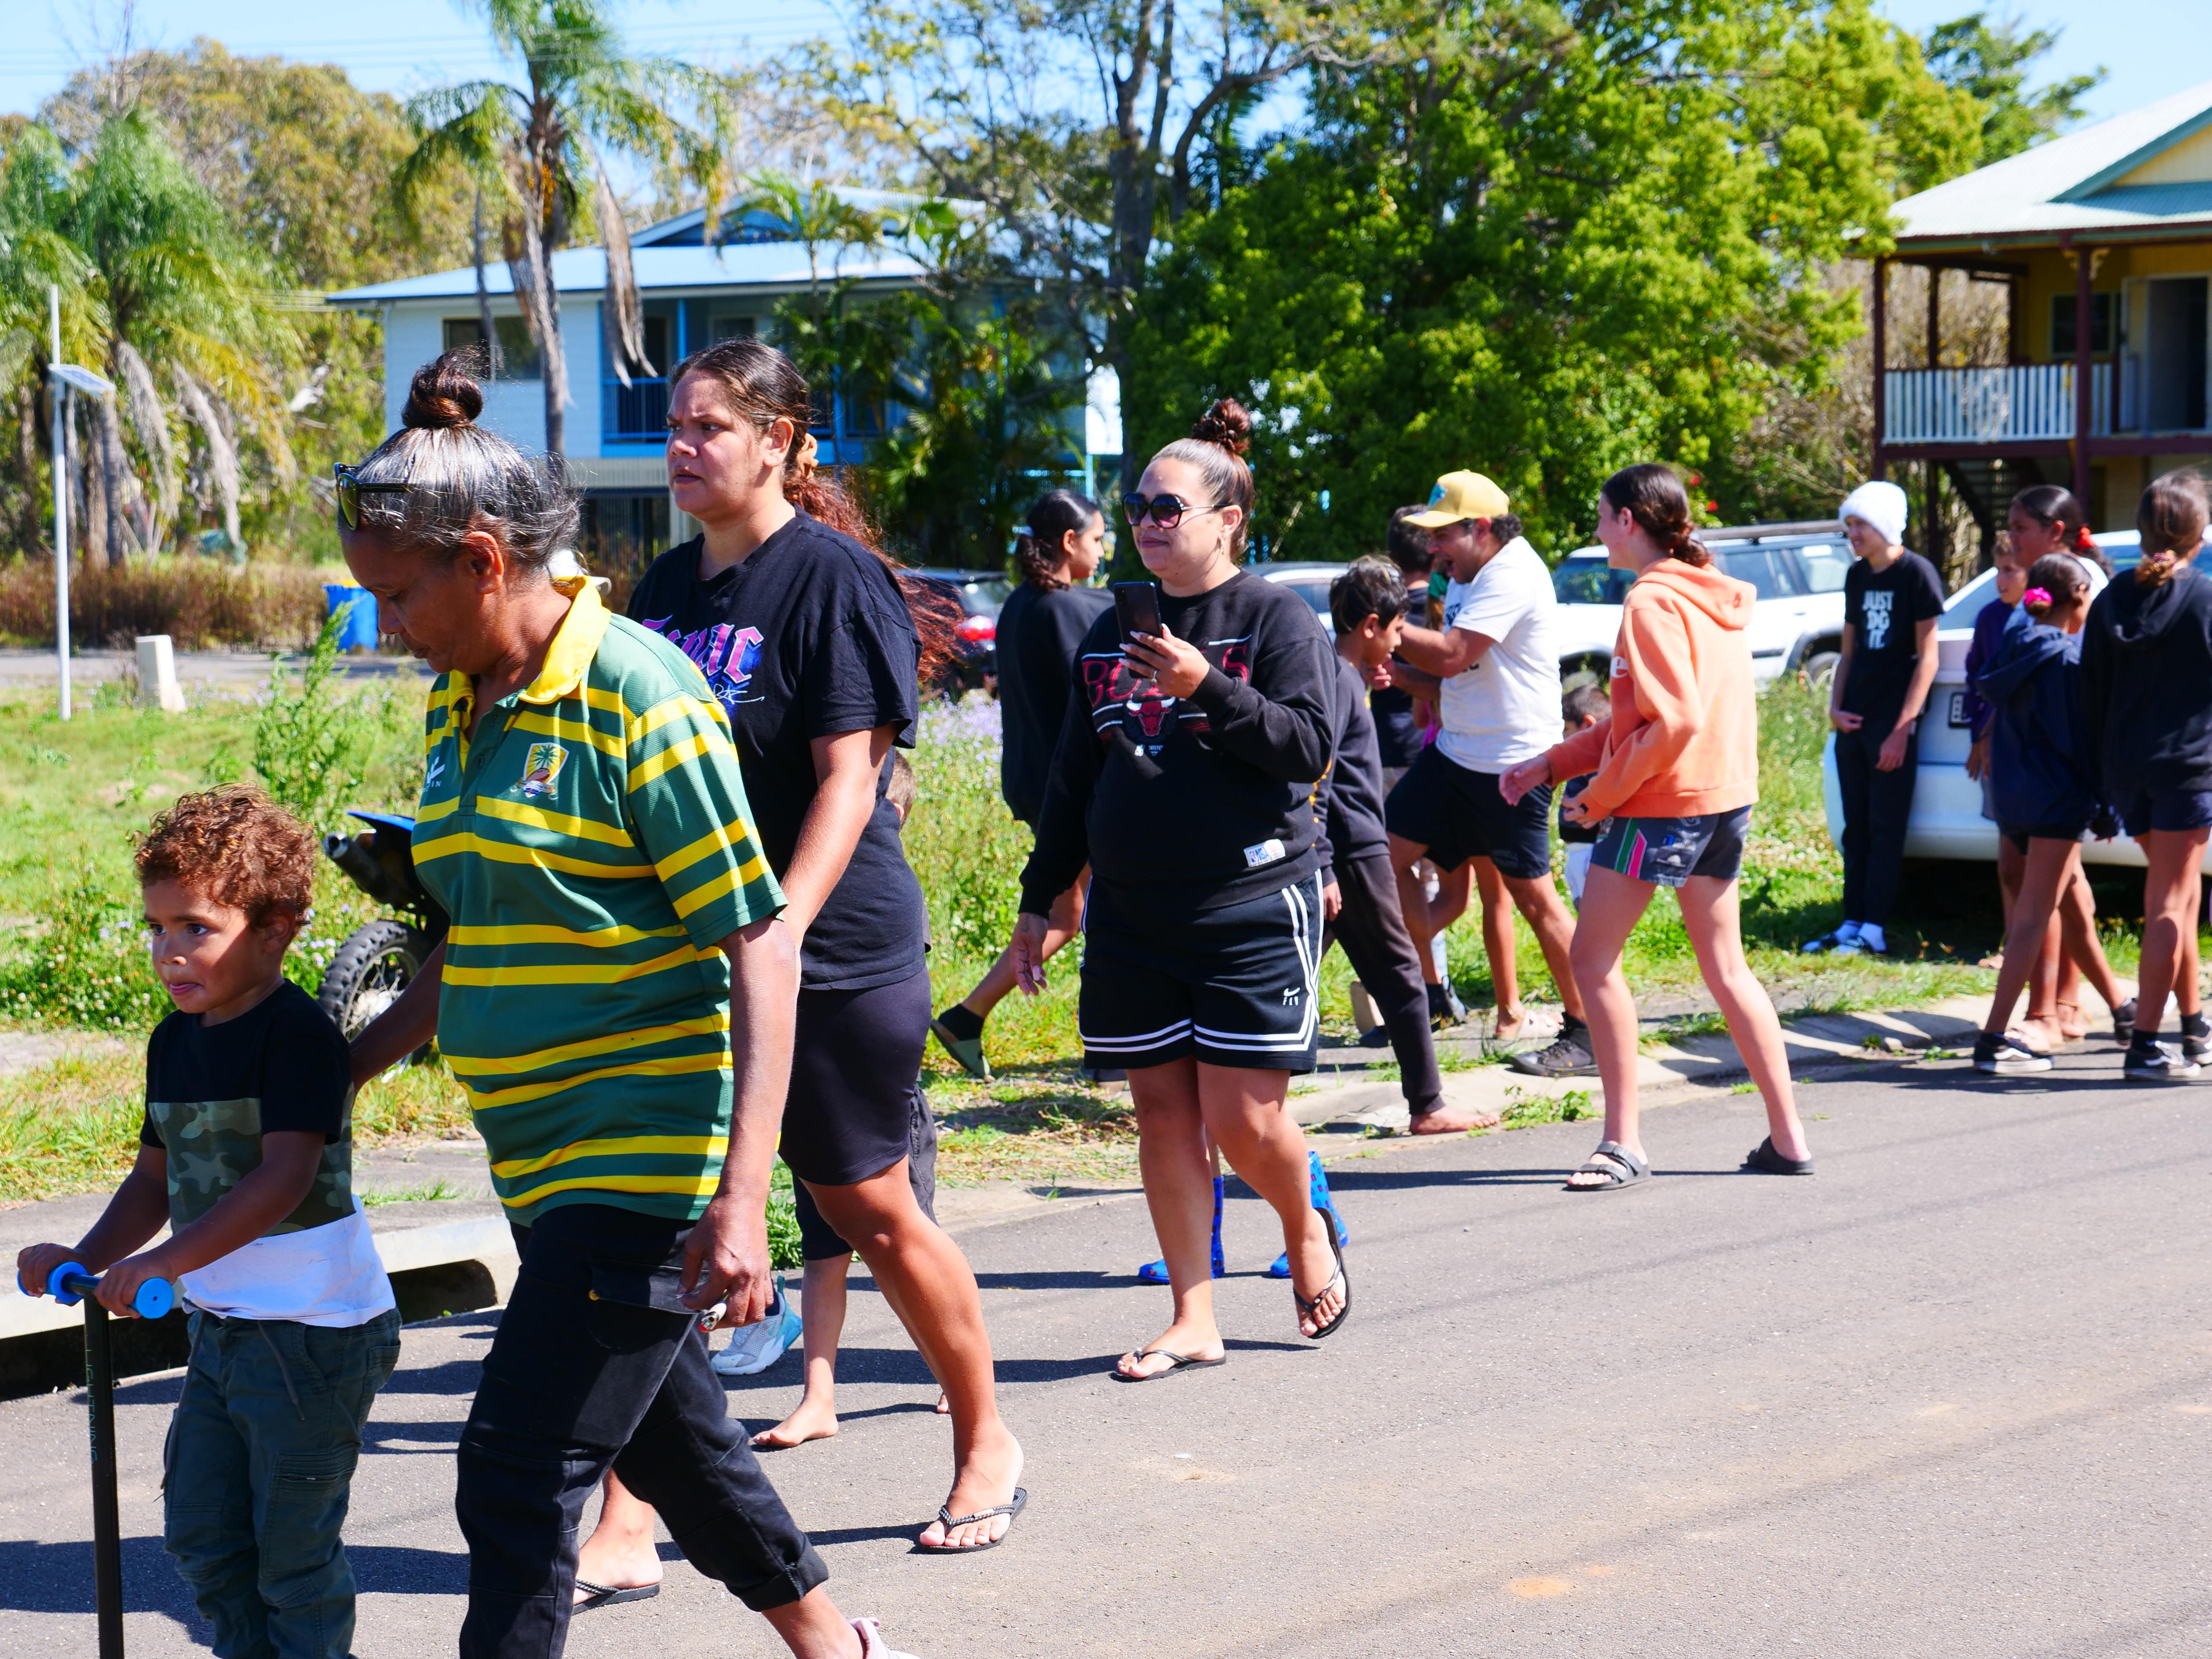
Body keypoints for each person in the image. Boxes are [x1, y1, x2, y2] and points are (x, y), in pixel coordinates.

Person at [338, 352, 924, 1659]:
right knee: (680, 1439)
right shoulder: (462, 698)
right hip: (537, 1158)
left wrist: (737, 1198)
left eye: (396, 594)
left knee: (513, 1467)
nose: (384, 626)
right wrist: (343, 1073)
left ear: (484, 560)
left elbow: (757, 945)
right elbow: (477, 935)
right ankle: (838, 1641)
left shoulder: (639, 692)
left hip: (640, 1151)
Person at [612, 337, 1022, 1555]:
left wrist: (782, 917)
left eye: (709, 429)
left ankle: (986, 1434)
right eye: (674, 429)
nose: (682, 450)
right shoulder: (663, 595)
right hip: (692, 957)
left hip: (834, 948)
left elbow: (854, 772)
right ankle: (630, 1508)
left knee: (869, 1203)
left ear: (781, 440)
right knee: (657, 1216)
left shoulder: (832, 578)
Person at [1009, 397, 1350, 1379]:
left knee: (1244, 1122)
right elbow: (1073, 779)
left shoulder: (1275, 618)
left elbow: (1305, 748)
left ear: (1225, 520)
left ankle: (1304, 1223)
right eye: (1139, 508)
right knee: (1162, 1115)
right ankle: (1191, 1313)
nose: (1150, 522)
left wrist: (1205, 684)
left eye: (1169, 508)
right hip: (1132, 909)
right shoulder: (1107, 631)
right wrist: (1041, 902)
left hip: (1248, 901)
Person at [17, 787, 399, 1659]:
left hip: (315, 1336)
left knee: (293, 1560)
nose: (169, 953)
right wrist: (87, 1255)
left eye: (195, 927)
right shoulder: (175, 1039)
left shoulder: (293, 1035)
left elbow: (281, 1176)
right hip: (228, 1331)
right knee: (202, 1537)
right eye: (156, 929)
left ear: (276, 929)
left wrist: (162, 1266)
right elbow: (156, 1176)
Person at [1501, 464, 1814, 1190]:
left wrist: (1601, 796)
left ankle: (1622, 1144)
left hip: (1663, 807)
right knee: (1727, 969)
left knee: (1591, 963)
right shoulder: (1707, 595)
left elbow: (1672, 723)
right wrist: (1554, 763)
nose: (1597, 529)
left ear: (1631, 522)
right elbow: (1638, 719)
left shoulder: (1649, 603)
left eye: (1603, 516)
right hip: (1721, 800)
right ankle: (1789, 1137)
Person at [753, 756, 951, 1444]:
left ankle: (951, 1371)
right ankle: (818, 1396)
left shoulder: (883, 897)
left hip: (883, 1108)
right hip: (811, 1092)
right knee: (821, 1253)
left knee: (901, 1241)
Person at [1384, 470, 1594, 1074]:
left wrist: (1387, 629)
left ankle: (1587, 1031)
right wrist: (1399, 674)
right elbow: (1458, 676)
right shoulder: (1467, 574)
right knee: (1377, 856)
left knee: (1535, 901)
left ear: (1481, 528)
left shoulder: (1513, 573)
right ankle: (1415, 989)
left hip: (1514, 763)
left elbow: (1453, 654)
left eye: (1443, 534)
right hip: (1454, 754)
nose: (1433, 548)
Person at [931, 490, 1112, 1079]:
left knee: (1067, 914)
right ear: (1069, 542)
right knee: (1107, 911)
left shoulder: (1017, 606)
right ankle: (1108, 1044)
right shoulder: (1069, 609)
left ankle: (966, 1016)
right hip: (1076, 788)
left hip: (1033, 783)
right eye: (1097, 538)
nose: (1102, 550)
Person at [1323, 556, 1488, 1133]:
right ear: (1370, 625)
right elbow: (1316, 777)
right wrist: (1322, 862)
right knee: (1400, 972)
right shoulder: (1339, 679)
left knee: (1289, 972)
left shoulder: (1338, 673)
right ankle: (1430, 1105)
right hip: (1350, 849)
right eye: (1395, 630)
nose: (1400, 642)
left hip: (1340, 849)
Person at [1966, 488, 2132, 1049]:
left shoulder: (2020, 638)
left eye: (2020, 527)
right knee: (2039, 908)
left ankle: (2102, 1005)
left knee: (2064, 897)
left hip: (2017, 794)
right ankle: (2005, 1030)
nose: (2012, 536)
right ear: (2077, 596)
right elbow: (2076, 740)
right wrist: (2106, 801)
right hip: (2056, 796)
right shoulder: (2061, 657)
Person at [2081, 469, 2212, 1082]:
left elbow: (2091, 693)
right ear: (2200, 532)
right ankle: (2146, 1047)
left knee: (2177, 900)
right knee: (2170, 901)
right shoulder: (2205, 598)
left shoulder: (2110, 599)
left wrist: (2099, 779)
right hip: (2188, 770)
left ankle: (2194, 1026)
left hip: (2126, 772)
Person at [1804, 480, 1943, 959]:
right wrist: (1833, 708)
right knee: (1855, 826)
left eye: (1860, 524)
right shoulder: (1856, 575)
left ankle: (1875, 927)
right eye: (1849, 526)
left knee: (1886, 826)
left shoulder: (1916, 574)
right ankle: (1850, 920)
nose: (1853, 535)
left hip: (1892, 720)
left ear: (1883, 522)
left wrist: (1903, 727)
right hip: (1853, 720)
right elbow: (1847, 650)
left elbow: (1927, 657)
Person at [1557, 681, 1611, 906]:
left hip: (1592, 853)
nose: (1563, 738)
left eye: (1567, 730)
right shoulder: (1593, 763)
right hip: (1580, 852)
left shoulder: (1599, 765)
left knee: (1594, 916)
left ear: (1588, 725)